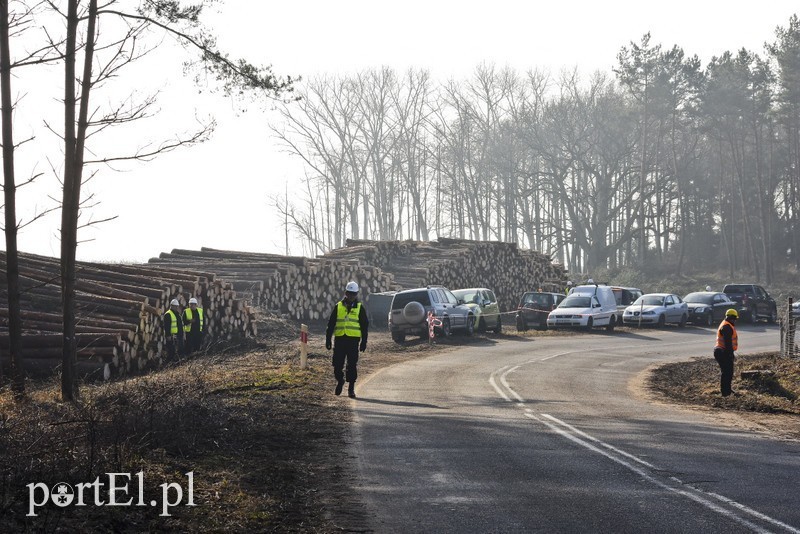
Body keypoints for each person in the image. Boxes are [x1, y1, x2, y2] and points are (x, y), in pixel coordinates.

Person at [325, 281, 369, 399]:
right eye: (349, 293)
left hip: (353, 341)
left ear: (356, 294)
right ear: (346, 293)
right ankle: (340, 380)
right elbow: (331, 324)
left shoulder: (360, 308)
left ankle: (351, 388)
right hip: (340, 339)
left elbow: (364, 326)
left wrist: (364, 341)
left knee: (352, 364)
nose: (351, 296)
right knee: (337, 365)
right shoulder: (338, 306)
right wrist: (328, 339)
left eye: (354, 294)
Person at [713, 308, 739, 397]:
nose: (735, 321)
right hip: (722, 352)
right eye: (735, 319)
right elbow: (728, 343)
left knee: (728, 372)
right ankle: (725, 393)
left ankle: (727, 390)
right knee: (727, 372)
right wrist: (730, 354)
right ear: (733, 318)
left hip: (721, 351)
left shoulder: (726, 324)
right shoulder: (727, 327)